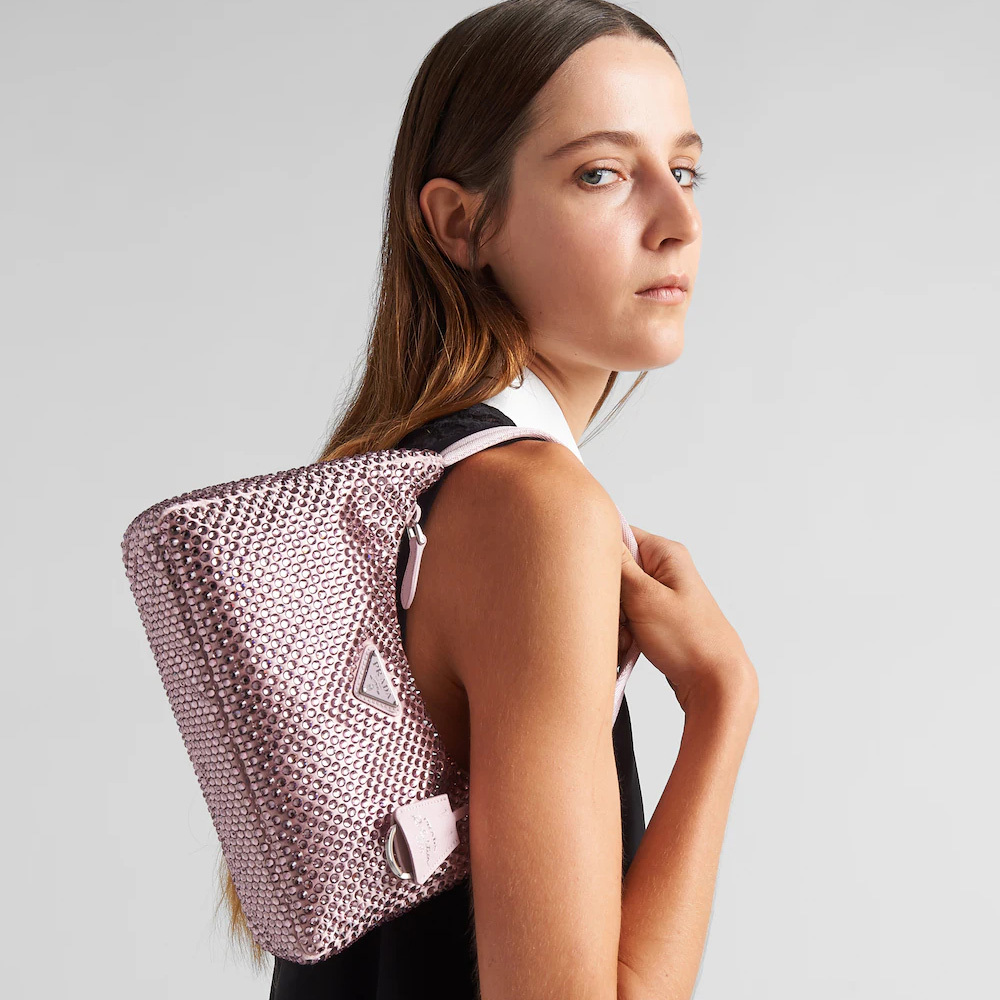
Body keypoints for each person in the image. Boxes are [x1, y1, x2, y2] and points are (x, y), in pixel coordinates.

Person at [224, 2, 759, 997]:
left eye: (683, 170)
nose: (678, 222)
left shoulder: (408, 488)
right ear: (460, 223)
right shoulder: (532, 510)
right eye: (602, 173)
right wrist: (722, 706)